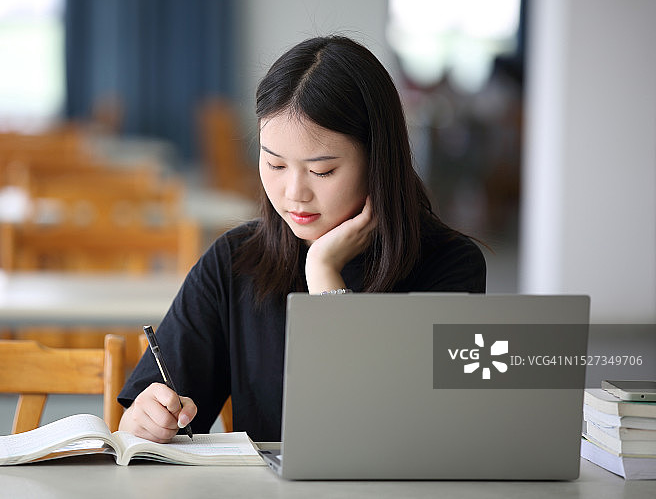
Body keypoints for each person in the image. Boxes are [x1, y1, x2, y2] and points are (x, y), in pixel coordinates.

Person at [118, 35, 486, 443]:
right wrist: (147, 417)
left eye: (322, 171)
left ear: (378, 160)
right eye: (274, 163)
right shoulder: (236, 260)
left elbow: (396, 433)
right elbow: (155, 412)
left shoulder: (450, 264)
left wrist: (324, 276)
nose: (294, 193)